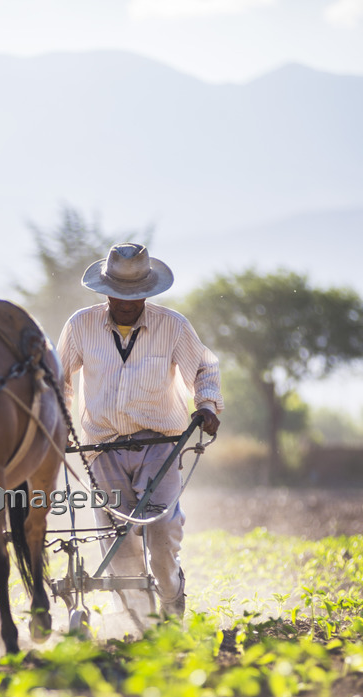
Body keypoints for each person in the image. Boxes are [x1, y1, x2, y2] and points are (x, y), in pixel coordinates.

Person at [57, 242, 223, 629]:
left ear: (148, 292)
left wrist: (208, 406)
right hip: (102, 447)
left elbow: (204, 369)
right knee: (117, 539)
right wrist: (59, 422)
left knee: (160, 529)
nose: (127, 303)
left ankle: (170, 597)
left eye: (136, 296)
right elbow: (58, 378)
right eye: (119, 295)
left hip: (159, 446)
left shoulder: (173, 326)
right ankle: (140, 623)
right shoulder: (80, 326)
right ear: (105, 290)